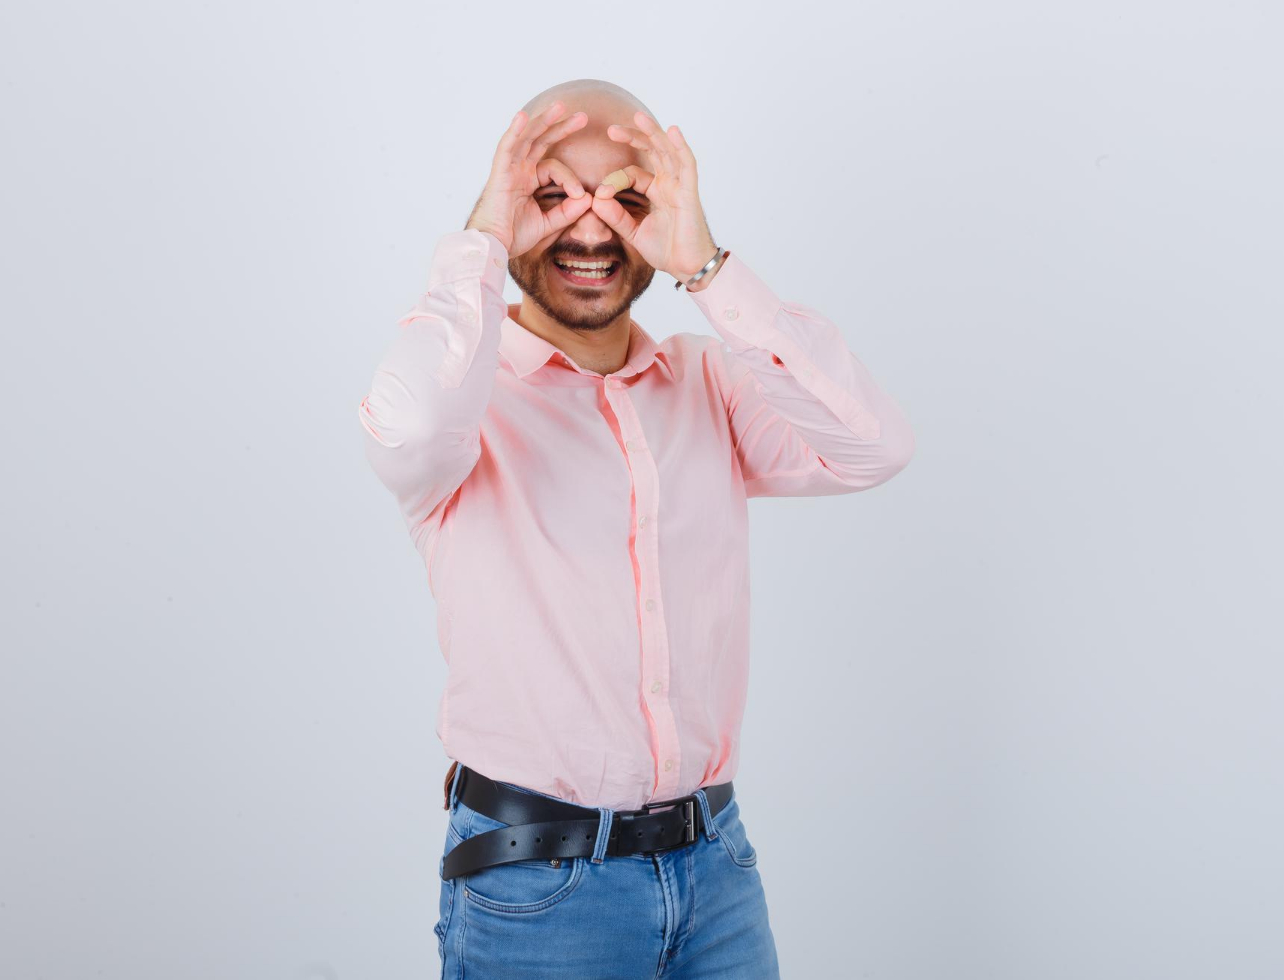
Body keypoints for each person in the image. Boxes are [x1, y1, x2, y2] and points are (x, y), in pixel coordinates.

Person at [357, 78, 915, 978]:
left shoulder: (711, 384)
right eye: (551, 198)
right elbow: (408, 425)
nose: (588, 231)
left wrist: (708, 267)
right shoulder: (464, 402)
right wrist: (481, 244)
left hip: (718, 871)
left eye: (625, 199)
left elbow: (872, 447)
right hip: (538, 890)